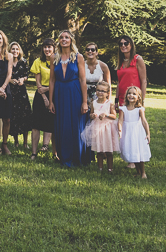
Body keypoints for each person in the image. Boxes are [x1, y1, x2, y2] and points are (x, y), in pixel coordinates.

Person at [48, 30, 88, 167]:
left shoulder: (79, 57)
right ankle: (63, 157)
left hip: (75, 92)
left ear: (71, 40)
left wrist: (84, 102)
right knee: (62, 124)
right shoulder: (54, 57)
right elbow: (52, 80)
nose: (64, 39)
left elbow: (83, 80)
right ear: (58, 40)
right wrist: (51, 101)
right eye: (61, 38)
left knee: (76, 124)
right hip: (59, 94)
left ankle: (77, 156)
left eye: (67, 37)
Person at [116, 35, 148, 168]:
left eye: (126, 43)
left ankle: (137, 158)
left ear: (131, 44)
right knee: (126, 127)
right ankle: (130, 157)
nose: (123, 45)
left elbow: (144, 80)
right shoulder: (121, 62)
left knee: (135, 128)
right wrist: (116, 99)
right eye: (121, 43)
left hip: (134, 98)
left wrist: (142, 100)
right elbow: (119, 82)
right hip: (124, 98)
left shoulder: (137, 59)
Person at [81, 81, 119, 172]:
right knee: (99, 150)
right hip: (97, 128)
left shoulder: (109, 103)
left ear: (108, 93)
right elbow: (90, 115)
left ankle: (110, 169)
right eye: (98, 90)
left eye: (103, 91)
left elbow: (114, 116)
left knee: (108, 150)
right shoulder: (94, 102)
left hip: (107, 129)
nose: (100, 92)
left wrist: (106, 114)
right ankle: (100, 168)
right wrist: (92, 116)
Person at [28, 39, 55, 160]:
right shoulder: (38, 62)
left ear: (54, 48)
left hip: (54, 94)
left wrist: (48, 90)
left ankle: (55, 153)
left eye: (49, 47)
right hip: (41, 96)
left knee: (54, 124)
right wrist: (45, 98)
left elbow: (59, 81)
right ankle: (34, 153)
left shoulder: (58, 62)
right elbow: (38, 85)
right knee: (36, 125)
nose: (47, 49)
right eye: (45, 47)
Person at [118, 86, 151, 179]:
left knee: (139, 152)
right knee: (133, 151)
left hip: (137, 133)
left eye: (134, 94)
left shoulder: (139, 109)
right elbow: (120, 121)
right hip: (128, 133)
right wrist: (120, 130)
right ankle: (138, 172)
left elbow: (144, 121)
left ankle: (143, 173)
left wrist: (148, 133)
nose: (131, 95)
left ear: (138, 97)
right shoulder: (123, 108)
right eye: (129, 93)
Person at [8, 42, 32, 150]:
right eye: (13, 49)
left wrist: (23, 79)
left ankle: (25, 143)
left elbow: (27, 75)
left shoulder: (23, 62)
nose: (15, 51)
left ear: (19, 51)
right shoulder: (7, 62)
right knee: (13, 116)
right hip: (11, 91)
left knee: (25, 116)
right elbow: (4, 75)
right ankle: (16, 141)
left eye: (16, 49)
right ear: (9, 50)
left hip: (21, 92)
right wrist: (10, 80)